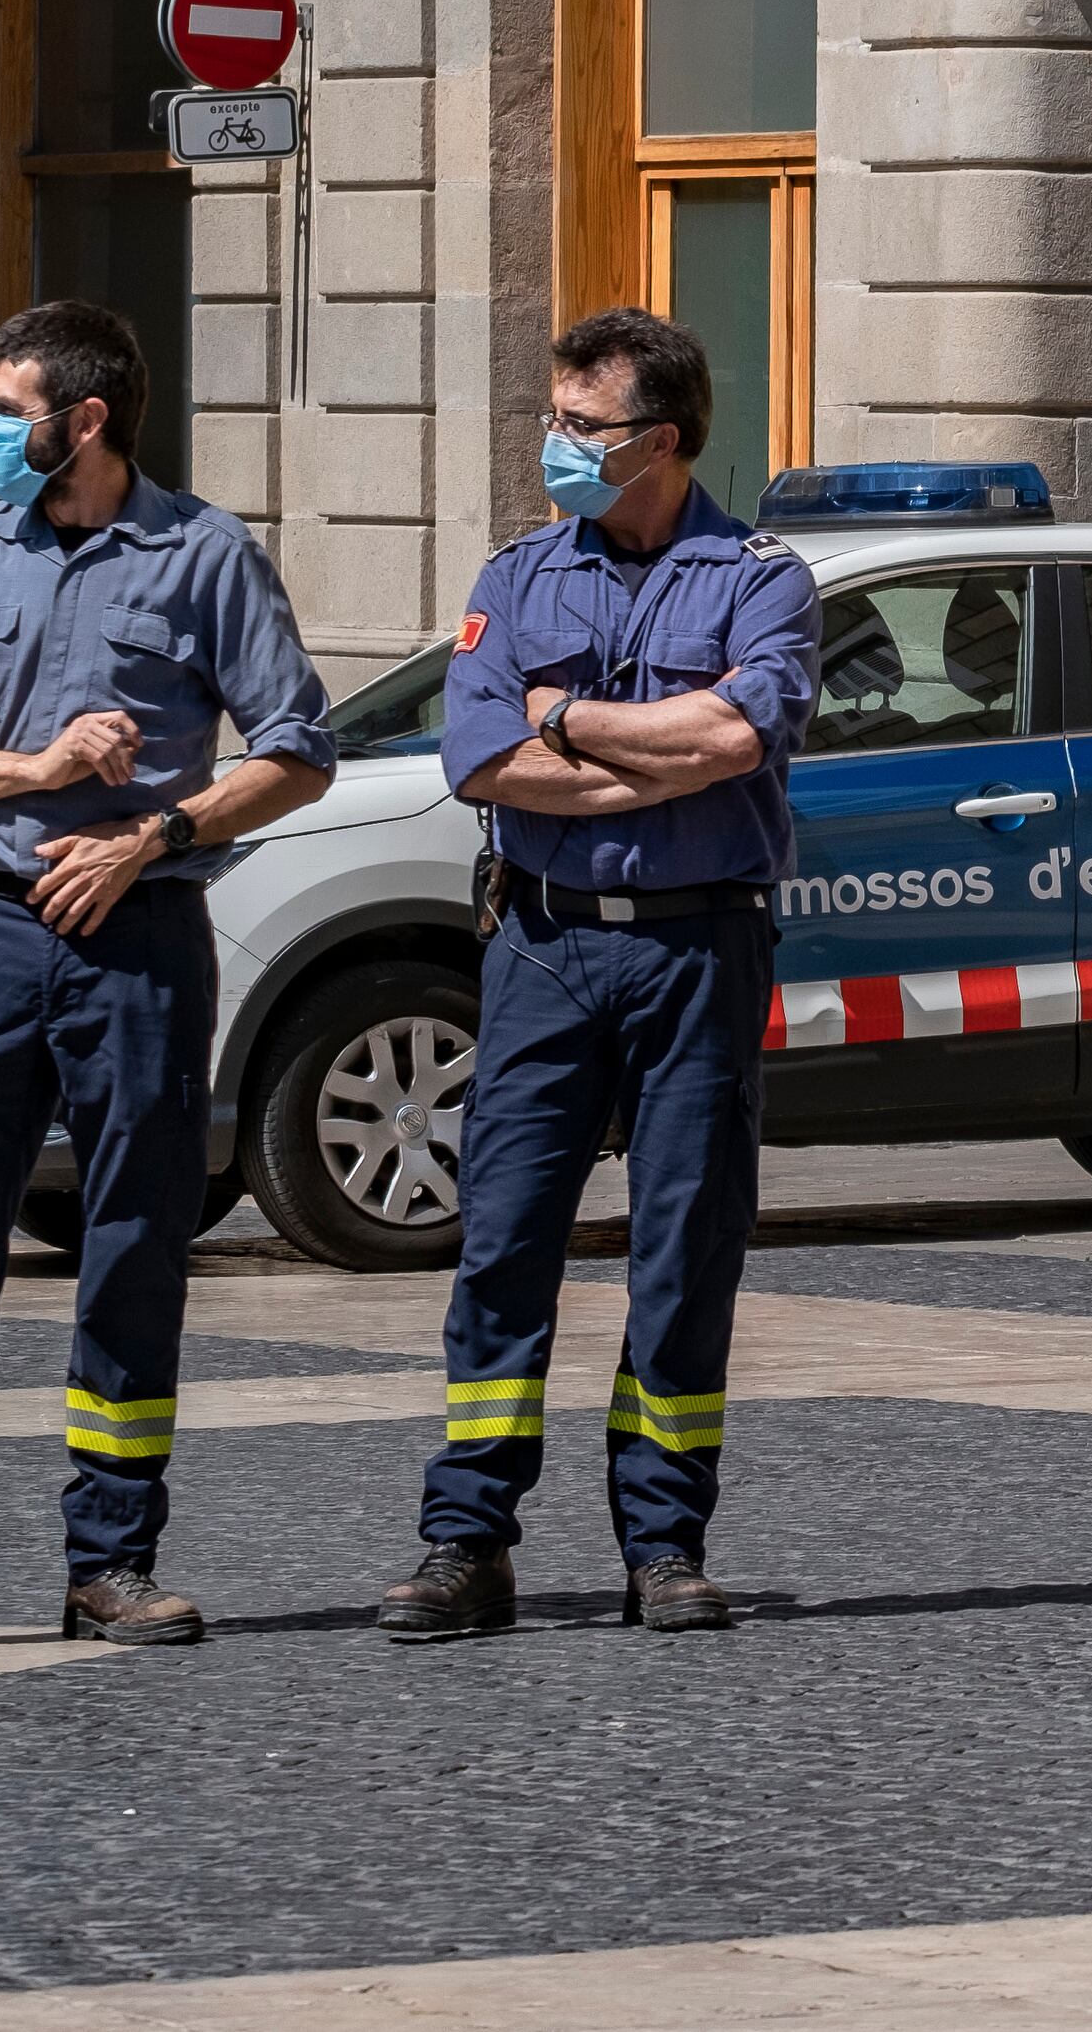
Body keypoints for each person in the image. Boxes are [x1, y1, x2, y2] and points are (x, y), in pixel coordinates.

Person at [0, 302, 334, 1659]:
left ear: (86, 421)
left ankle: (111, 1560)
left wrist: (157, 833)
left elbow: (300, 750)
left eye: (8, 409)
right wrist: (42, 770)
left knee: (133, 1242)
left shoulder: (203, 555)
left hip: (139, 937)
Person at [376, 309, 817, 1640]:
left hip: (700, 942)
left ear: (664, 442)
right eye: (552, 419)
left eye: (582, 428)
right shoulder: (514, 576)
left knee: (685, 1246)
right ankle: (467, 1540)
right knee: (504, 1239)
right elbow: (479, 759)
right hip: (548, 941)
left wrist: (561, 714)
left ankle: (666, 1541)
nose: (552, 447)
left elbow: (739, 736)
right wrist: (651, 746)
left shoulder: (761, 575)